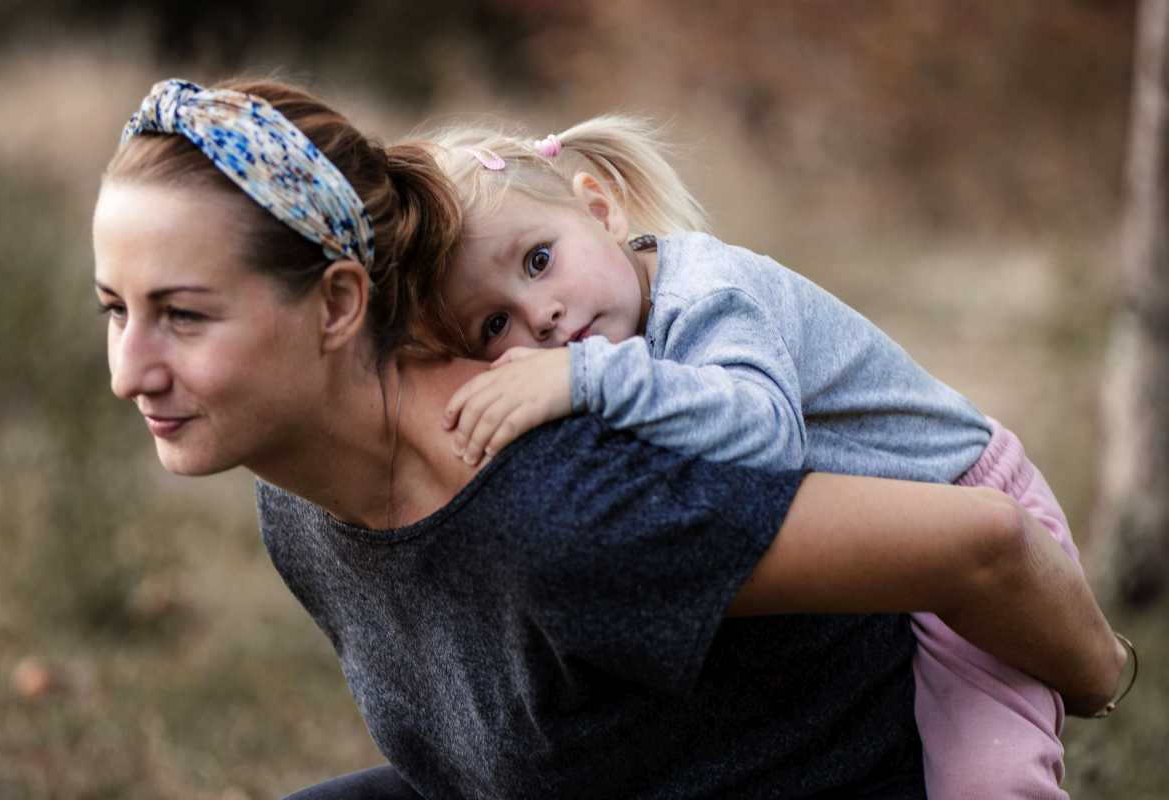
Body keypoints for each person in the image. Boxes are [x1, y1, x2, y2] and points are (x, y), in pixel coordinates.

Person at [94, 79, 1125, 799]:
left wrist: (1100, 675)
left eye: (182, 315)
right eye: (113, 309)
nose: (127, 369)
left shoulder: (558, 497)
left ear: (337, 304)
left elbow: (981, 539)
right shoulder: (297, 490)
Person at [419, 115, 1102, 798]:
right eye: (494, 325)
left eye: (539, 261)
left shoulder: (708, 296)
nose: (539, 317)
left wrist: (588, 378)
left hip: (972, 512)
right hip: (890, 549)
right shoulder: (626, 320)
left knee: (989, 778)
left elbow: (767, 433)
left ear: (600, 211)